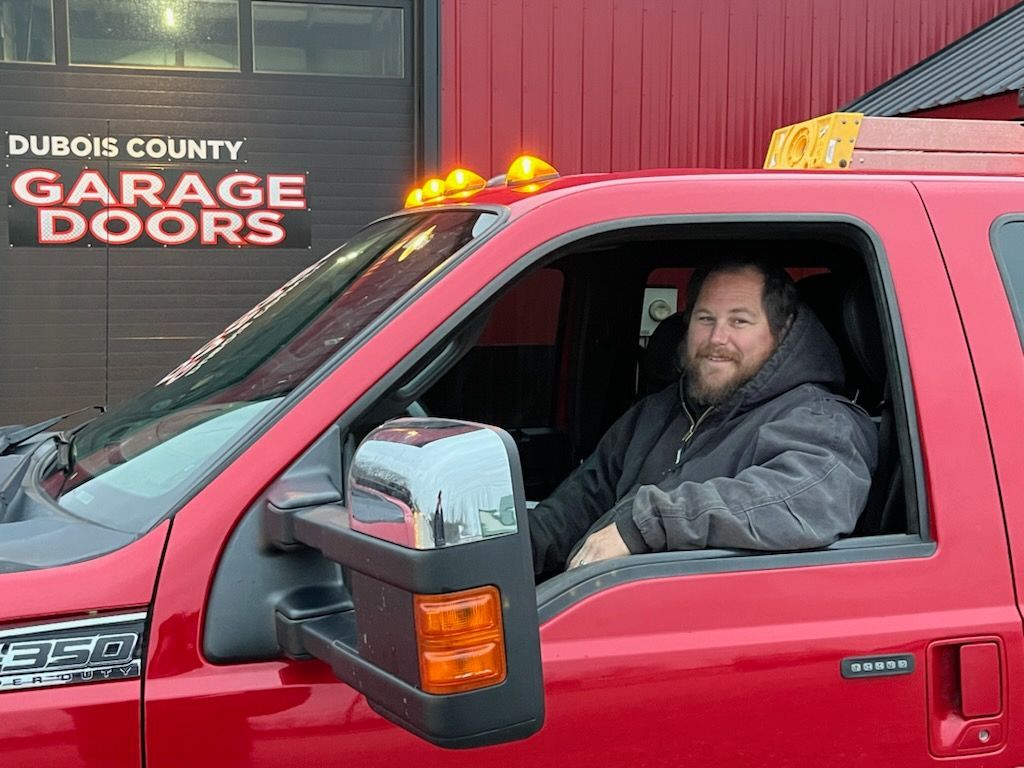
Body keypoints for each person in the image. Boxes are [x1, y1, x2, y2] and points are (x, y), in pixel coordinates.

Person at [528, 258, 878, 578]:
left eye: (739, 321)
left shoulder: (821, 422)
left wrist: (646, 525)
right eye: (705, 318)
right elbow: (584, 498)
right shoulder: (659, 410)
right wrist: (522, 547)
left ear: (782, 332)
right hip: (591, 603)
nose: (716, 338)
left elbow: (803, 501)